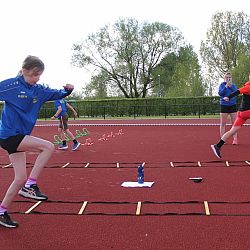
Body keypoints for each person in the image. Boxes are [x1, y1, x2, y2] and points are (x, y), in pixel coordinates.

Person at [0, 55, 74, 228]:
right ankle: (30, 185)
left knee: (19, 178)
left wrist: (68, 90)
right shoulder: (11, 85)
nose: (37, 78)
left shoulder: (38, 90)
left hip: (18, 136)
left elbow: (57, 93)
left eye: (39, 75)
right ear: (24, 71)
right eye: (34, 74)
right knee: (48, 147)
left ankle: (2, 211)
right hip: (8, 135)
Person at [211, 80, 250, 159]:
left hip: (241, 114)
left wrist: (228, 97)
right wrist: (228, 97)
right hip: (247, 112)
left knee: (232, 131)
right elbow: (237, 91)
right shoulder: (248, 87)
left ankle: (217, 146)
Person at [218, 72, 238, 145]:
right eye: (227, 77)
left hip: (232, 105)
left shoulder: (233, 85)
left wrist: (230, 86)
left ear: (231, 78)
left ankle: (235, 139)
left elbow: (236, 93)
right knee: (223, 123)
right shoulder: (222, 85)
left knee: (234, 124)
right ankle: (223, 139)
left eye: (230, 77)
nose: (228, 79)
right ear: (224, 78)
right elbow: (220, 93)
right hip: (224, 105)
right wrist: (226, 86)